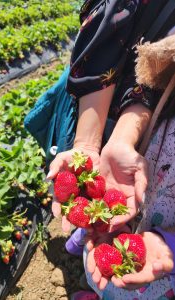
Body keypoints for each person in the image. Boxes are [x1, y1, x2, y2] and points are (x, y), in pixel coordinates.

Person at [45, 0, 175, 299]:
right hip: (145, 125)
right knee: (119, 206)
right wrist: (100, 142)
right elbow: (157, 66)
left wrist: (171, 242)